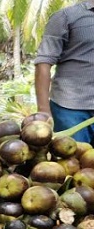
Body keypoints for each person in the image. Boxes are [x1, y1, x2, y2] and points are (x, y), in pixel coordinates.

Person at [34, 1, 94, 144]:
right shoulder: (66, 17)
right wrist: (43, 111)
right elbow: (44, 63)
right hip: (71, 108)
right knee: (72, 163)